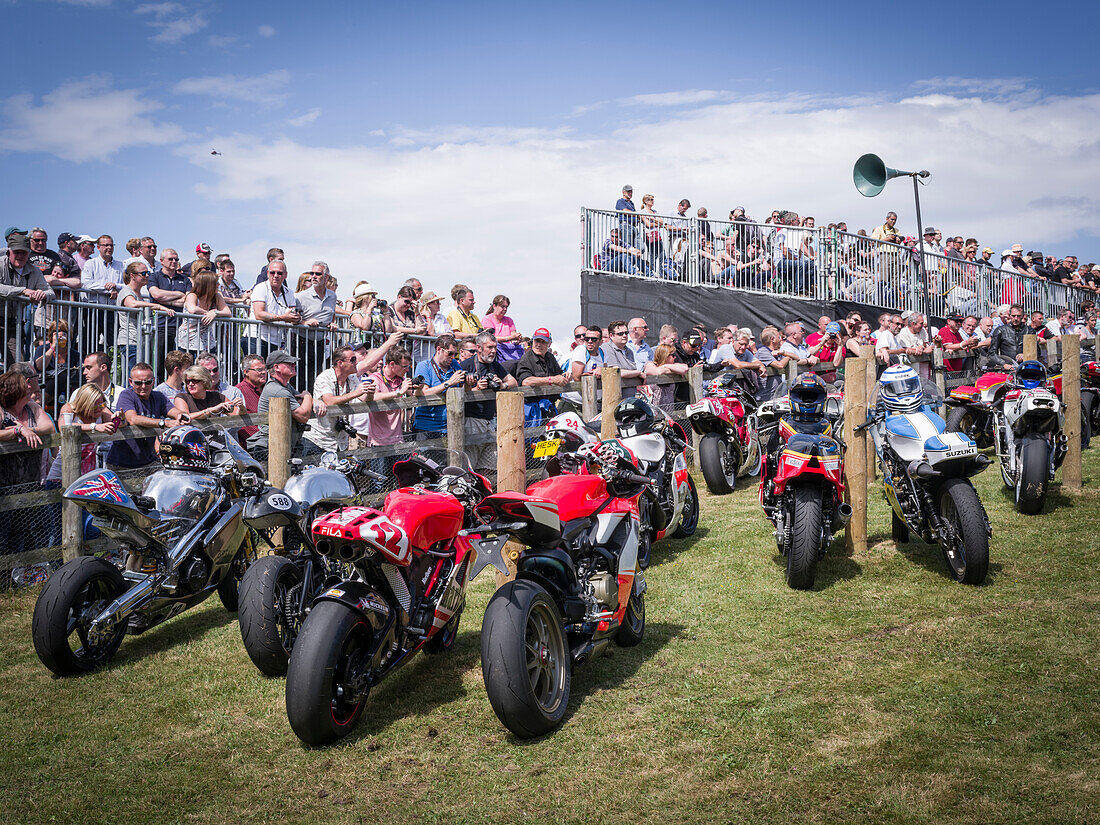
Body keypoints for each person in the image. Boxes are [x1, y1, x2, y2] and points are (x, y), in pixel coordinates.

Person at [0, 370, 56, 556]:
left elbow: (48, 427)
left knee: (34, 532)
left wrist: (26, 428)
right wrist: (19, 431)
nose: (30, 386)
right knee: (3, 536)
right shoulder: (1, 411)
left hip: (33, 484)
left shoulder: (31, 407)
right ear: (16, 390)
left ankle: (30, 574)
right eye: (25, 384)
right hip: (5, 487)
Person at [106, 363, 190, 474]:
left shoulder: (158, 397)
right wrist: (164, 423)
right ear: (131, 382)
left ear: (153, 381)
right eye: (138, 383)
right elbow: (133, 419)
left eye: (148, 382)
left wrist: (181, 415)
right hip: (121, 464)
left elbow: (173, 411)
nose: (144, 386)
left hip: (148, 461)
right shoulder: (126, 395)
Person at [457, 331, 517, 471]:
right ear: (479, 348)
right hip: (472, 421)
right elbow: (455, 393)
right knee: (469, 465)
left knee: (490, 466)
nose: (493, 351)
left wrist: (503, 385)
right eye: (489, 347)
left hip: (490, 421)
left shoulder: (494, 365)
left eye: (495, 347)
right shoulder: (465, 366)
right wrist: (476, 388)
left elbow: (513, 381)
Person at [247, 351, 321, 460]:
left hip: (283, 443)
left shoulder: (284, 386)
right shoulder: (277, 390)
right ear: (276, 367)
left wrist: (313, 400)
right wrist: (308, 396)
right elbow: (303, 416)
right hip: (270, 448)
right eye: (289, 363)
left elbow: (301, 401)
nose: (294, 365)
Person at [305, 344, 374, 454]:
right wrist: (356, 393)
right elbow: (329, 401)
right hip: (318, 441)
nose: (356, 362)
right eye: (353, 359)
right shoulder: (324, 377)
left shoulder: (351, 378)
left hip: (340, 442)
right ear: (340, 363)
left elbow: (364, 399)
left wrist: (370, 393)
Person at [1, 232, 53, 360]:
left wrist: (42, 294)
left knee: (18, 367)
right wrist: (22, 291)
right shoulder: (0, 264)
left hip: (12, 325)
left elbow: (50, 292)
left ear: (29, 253)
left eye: (23, 252)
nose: (20, 256)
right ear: (9, 251)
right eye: (16, 252)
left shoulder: (34, 271)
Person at [116, 261, 174, 373]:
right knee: (133, 377)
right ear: (132, 276)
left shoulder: (139, 294)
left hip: (139, 341)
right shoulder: (126, 291)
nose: (147, 275)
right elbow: (132, 304)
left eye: (148, 273)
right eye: (143, 273)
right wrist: (157, 306)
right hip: (130, 341)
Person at [411, 334, 466, 444]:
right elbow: (424, 392)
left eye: (455, 354)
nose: (452, 357)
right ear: (439, 349)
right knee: (425, 461)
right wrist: (448, 383)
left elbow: (463, 388)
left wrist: (469, 384)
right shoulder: (424, 366)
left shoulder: (454, 365)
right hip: (427, 427)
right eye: (450, 353)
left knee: (451, 461)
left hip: (451, 425)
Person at [294, 264, 339, 392]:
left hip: (320, 343)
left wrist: (331, 323)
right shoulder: (301, 296)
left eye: (318, 274)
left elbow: (330, 315)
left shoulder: (332, 296)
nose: (314, 276)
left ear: (326, 277)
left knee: (317, 376)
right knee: (300, 378)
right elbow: (292, 318)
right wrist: (305, 322)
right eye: (312, 273)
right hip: (302, 341)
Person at [250, 260, 299, 357]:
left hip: (277, 341)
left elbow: (292, 314)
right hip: (256, 338)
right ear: (268, 273)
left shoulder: (289, 293)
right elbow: (259, 314)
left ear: (285, 275)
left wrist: (297, 318)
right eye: (272, 272)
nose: (276, 275)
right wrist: (282, 317)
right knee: (257, 371)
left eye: (279, 273)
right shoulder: (260, 288)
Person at [177, 271, 231, 357]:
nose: (218, 285)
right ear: (207, 284)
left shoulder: (217, 297)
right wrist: (208, 313)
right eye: (215, 283)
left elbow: (228, 312)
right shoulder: (192, 295)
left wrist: (215, 313)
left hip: (208, 342)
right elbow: (192, 309)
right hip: (188, 342)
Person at [174, 366, 242, 422]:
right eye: (188, 381)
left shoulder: (217, 396)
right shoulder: (181, 397)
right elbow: (185, 417)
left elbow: (237, 415)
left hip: (215, 438)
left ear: (204, 381)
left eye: (194, 380)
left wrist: (241, 406)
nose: (191, 384)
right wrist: (212, 410)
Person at [601, 320, 644, 399]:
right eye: (620, 334)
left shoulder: (629, 351)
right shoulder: (606, 348)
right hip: (614, 399)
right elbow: (616, 372)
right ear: (611, 335)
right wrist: (639, 373)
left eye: (626, 333)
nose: (624, 335)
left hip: (630, 398)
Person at [563, 325, 604, 407]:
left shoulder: (602, 352)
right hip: (574, 404)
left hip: (593, 403)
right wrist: (594, 374)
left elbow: (608, 370)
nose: (590, 341)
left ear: (600, 341)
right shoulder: (581, 350)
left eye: (594, 339)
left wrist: (601, 370)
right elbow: (577, 377)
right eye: (587, 338)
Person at [235, 354, 268, 443]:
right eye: (259, 370)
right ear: (246, 372)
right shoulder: (239, 391)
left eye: (264, 369)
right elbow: (242, 426)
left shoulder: (268, 388)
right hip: (255, 444)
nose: (264, 372)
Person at [644, 344, 688, 411]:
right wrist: (673, 370)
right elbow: (658, 372)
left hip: (669, 412)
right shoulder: (650, 364)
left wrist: (665, 366)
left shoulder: (672, 366)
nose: (675, 358)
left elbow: (685, 368)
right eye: (673, 355)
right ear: (666, 356)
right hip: (653, 411)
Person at [482, 294, 524, 362]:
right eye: (502, 306)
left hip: (509, 351)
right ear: (494, 306)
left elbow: (513, 335)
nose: (505, 309)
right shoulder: (487, 319)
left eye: (506, 307)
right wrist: (508, 338)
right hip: (496, 353)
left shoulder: (509, 320)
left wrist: (517, 338)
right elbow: (490, 338)